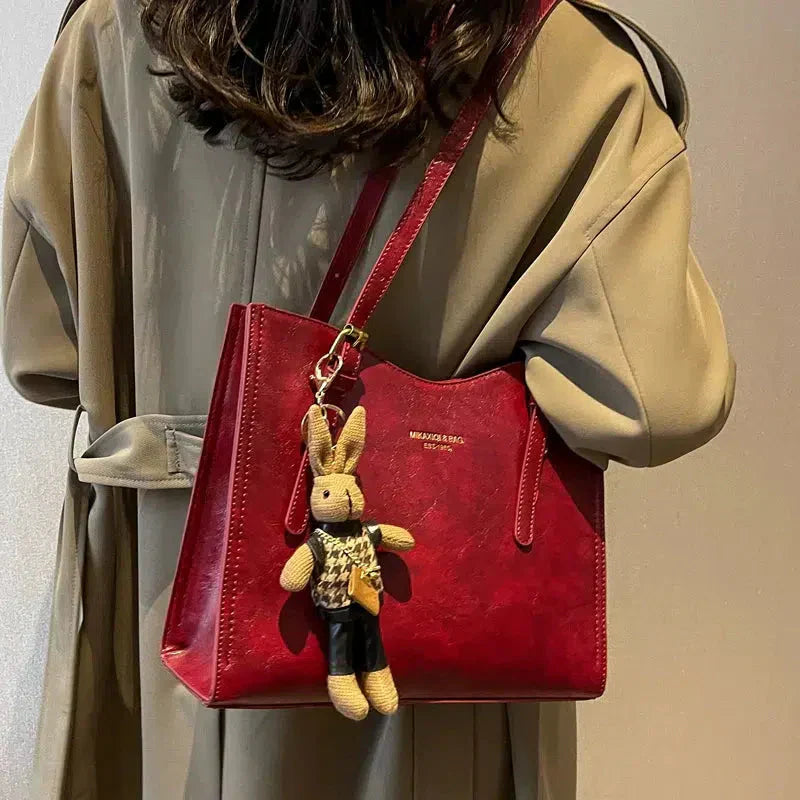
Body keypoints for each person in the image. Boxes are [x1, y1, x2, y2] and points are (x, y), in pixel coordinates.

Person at [1, 0, 734, 797]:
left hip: (151, 617)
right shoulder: (575, 65)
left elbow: (42, 352)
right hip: (416, 671)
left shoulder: (117, 29)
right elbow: (653, 407)